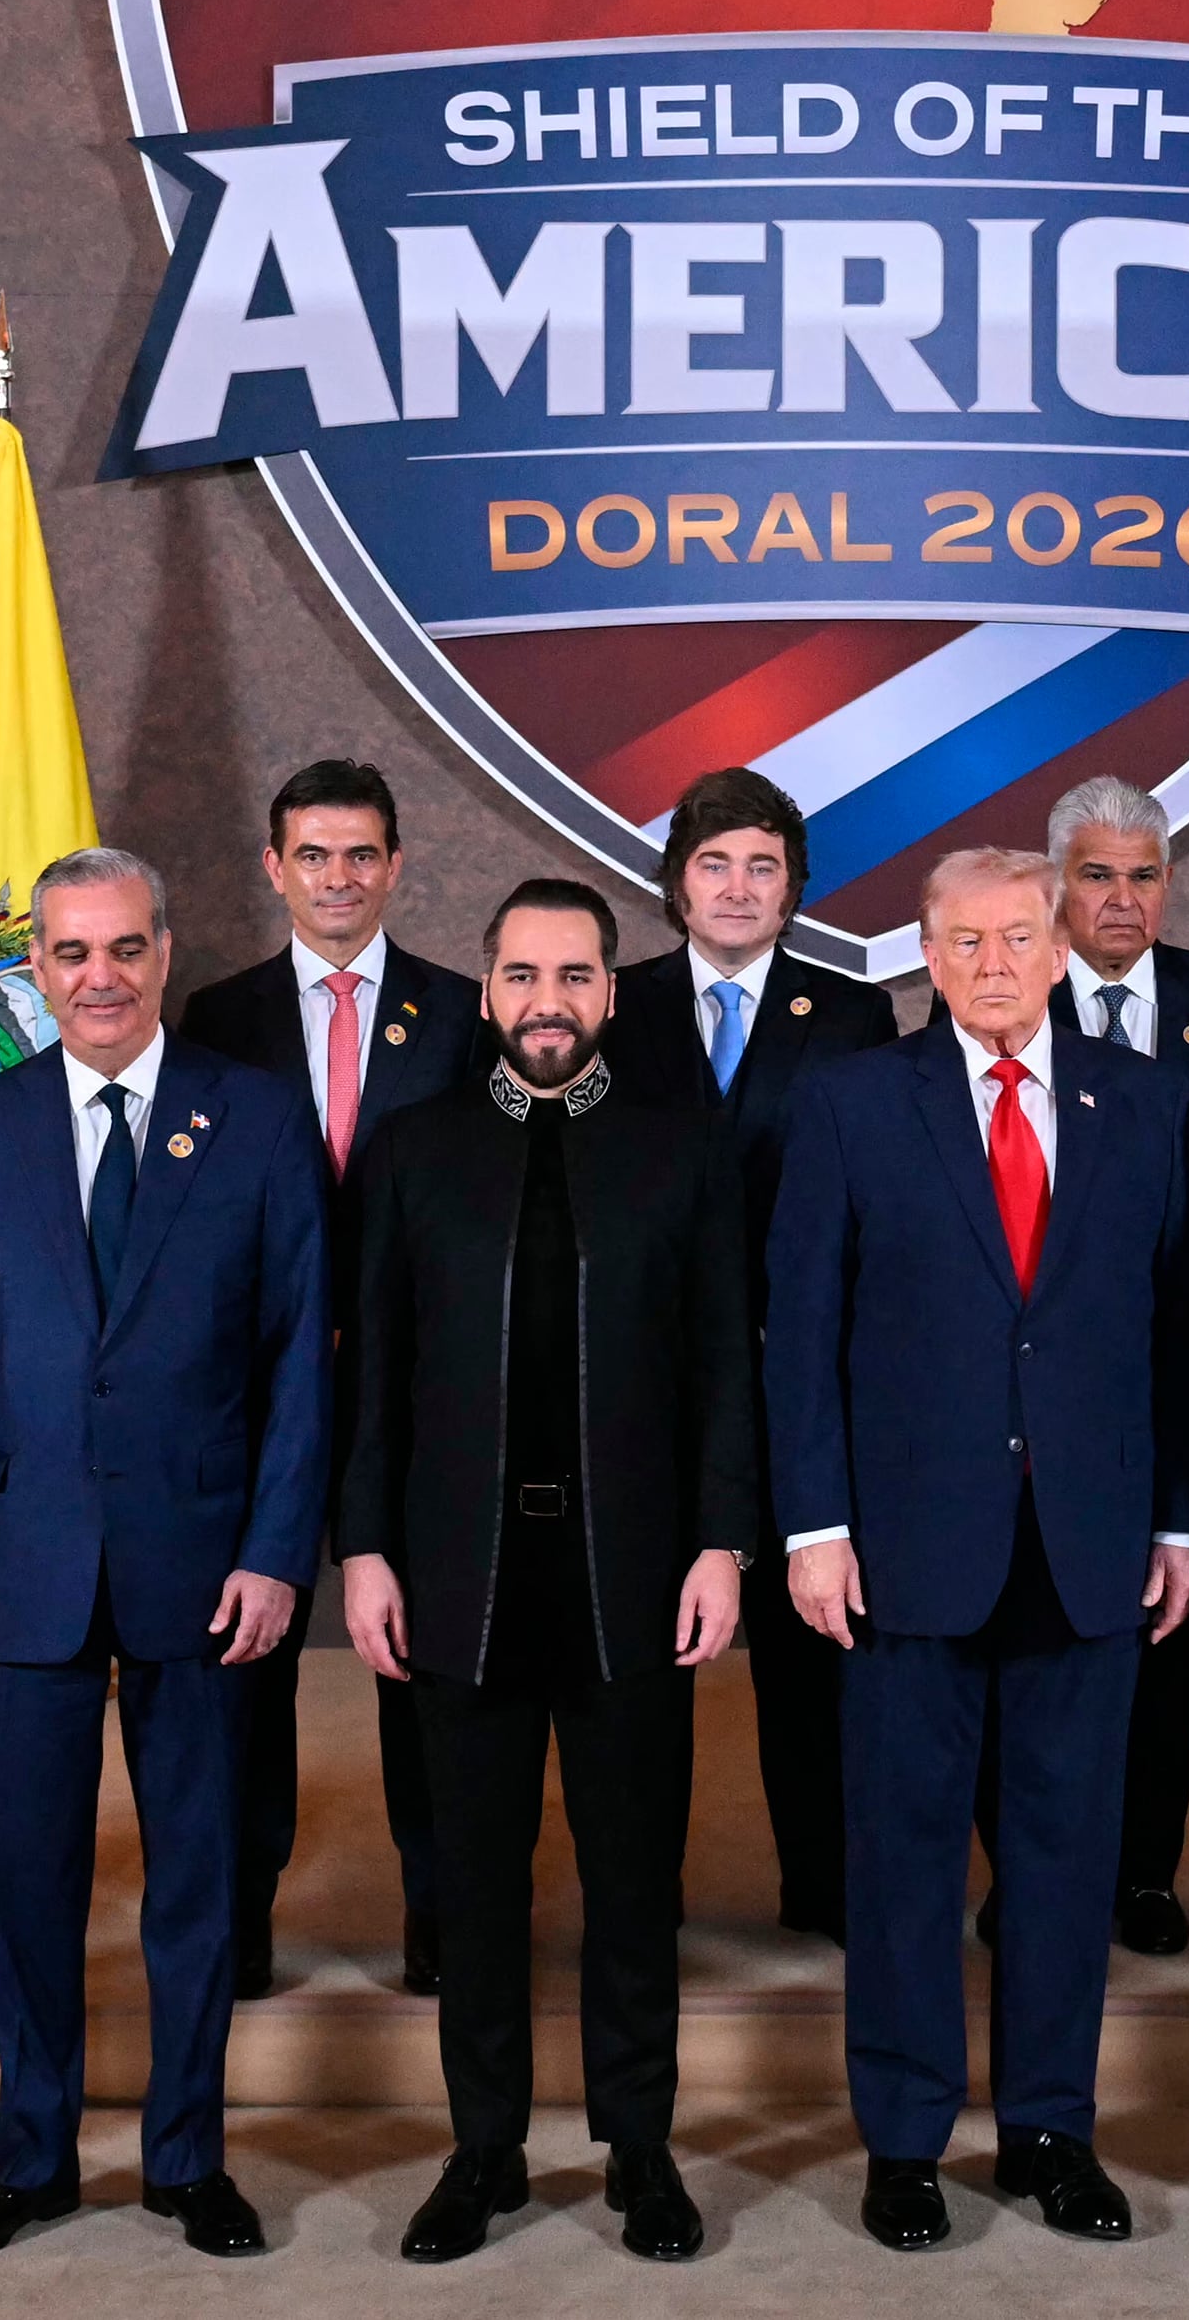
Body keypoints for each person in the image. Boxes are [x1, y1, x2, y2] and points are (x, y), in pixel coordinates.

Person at [770, 845, 1189, 2252]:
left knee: (1066, 1851)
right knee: (902, 1856)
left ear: (1061, 936)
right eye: (964, 941)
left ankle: (1047, 2126)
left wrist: (1177, 1517)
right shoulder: (847, 1102)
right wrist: (814, 1525)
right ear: (925, 950)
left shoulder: (1145, 1101)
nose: (994, 963)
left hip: (1088, 1541)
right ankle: (903, 2138)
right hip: (904, 1545)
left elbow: (1178, 1331)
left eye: (1018, 935)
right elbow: (802, 1332)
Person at [0, 846, 331, 2263]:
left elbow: (298, 1358)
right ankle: (28, 2155)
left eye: (125, 948)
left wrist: (277, 1553)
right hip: (19, 1559)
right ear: (37, 968)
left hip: (203, 1563)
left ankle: (185, 2154)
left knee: (196, 1872)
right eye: (72, 952)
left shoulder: (256, 1119)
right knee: (33, 1876)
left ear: (163, 947)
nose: (99, 976)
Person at [339, 878, 756, 2265]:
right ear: (487, 988)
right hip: (459, 1575)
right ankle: (485, 2147)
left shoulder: (679, 1149)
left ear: (611, 993)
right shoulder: (409, 1152)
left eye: (573, 975)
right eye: (521, 975)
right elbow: (373, 1381)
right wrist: (364, 1549)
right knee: (475, 1881)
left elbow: (722, 1370)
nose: (547, 1002)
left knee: (634, 1878)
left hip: (630, 1571)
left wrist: (719, 1540)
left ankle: (641, 2144)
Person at [177, 756, 476, 2000]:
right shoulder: (215, 1017)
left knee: (423, 1663)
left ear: (397, 865)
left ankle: (439, 1915)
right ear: (273, 866)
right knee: (245, 1658)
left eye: (361, 854)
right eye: (313, 854)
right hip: (255, 1395)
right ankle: (237, 1917)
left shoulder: (462, 1015)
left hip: (418, 1397)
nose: (338, 877)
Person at [606, 762, 894, 1938]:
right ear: (675, 884)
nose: (735, 887)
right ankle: (639, 1901)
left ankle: (822, 1888)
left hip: (794, 1379)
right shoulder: (611, 1004)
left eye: (761, 867)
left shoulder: (856, 1013)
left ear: (793, 890)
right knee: (638, 1661)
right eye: (713, 863)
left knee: (808, 1657)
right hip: (642, 1387)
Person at [1041, 775, 1189, 1958]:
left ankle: (1144, 1871)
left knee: (1161, 1622)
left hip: (1180, 1366)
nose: (1121, 898)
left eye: (1143, 875)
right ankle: (1033, 1870)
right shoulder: (1000, 989)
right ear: (1058, 887)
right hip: (1039, 1374)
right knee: (1033, 1625)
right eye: (1097, 874)